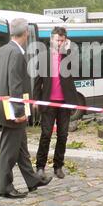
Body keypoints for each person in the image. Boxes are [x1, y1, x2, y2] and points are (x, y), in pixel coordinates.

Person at [0, 18, 52, 199]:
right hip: (13, 110)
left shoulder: (3, 50)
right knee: (9, 152)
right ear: (26, 32)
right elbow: (15, 84)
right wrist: (19, 112)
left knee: (21, 149)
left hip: (6, 106)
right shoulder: (16, 53)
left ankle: (33, 180)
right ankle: (5, 187)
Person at [34, 26, 78, 179]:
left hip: (64, 102)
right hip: (48, 102)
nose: (59, 42)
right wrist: (36, 99)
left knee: (63, 135)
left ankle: (58, 166)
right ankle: (40, 167)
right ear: (51, 39)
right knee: (46, 134)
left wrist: (67, 49)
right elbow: (37, 80)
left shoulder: (68, 56)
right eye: (56, 39)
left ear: (65, 40)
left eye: (62, 40)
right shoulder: (43, 56)